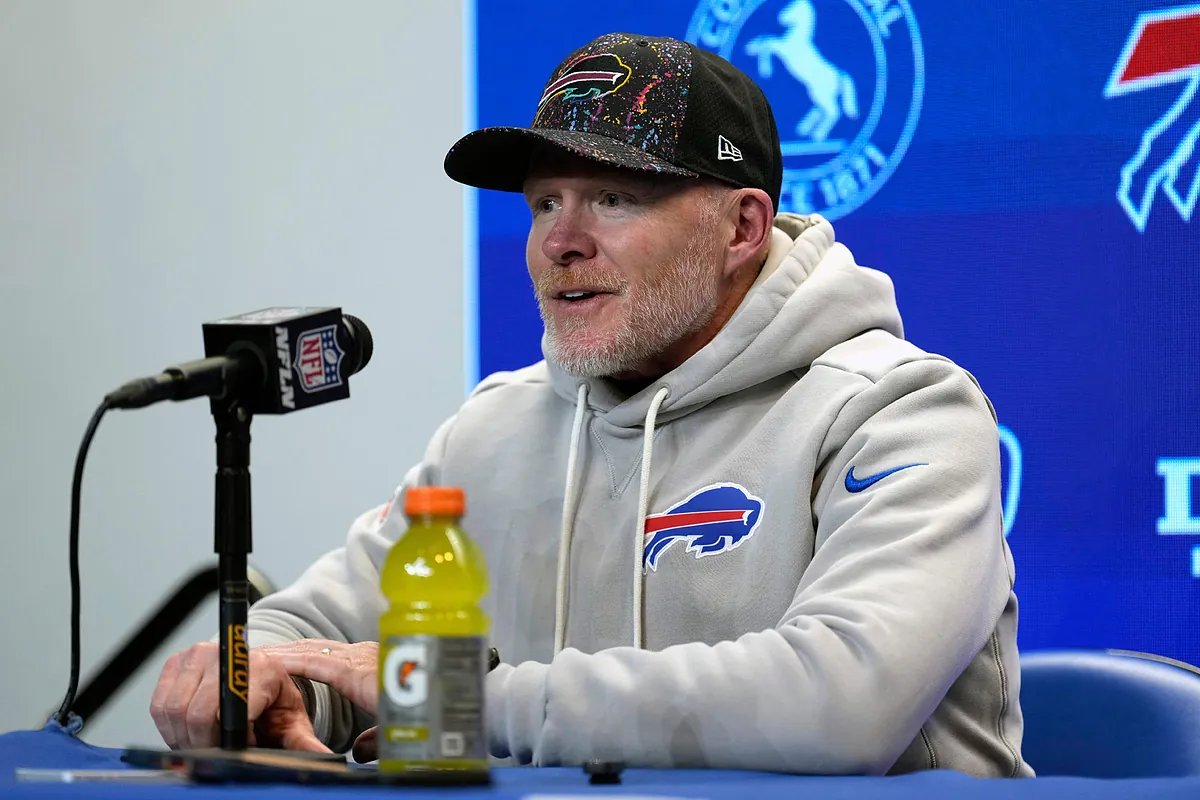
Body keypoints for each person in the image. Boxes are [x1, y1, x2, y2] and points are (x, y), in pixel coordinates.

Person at [150, 31, 1031, 777]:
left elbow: (843, 702)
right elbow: (320, 629)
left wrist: (459, 701)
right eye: (545, 203)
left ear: (743, 228)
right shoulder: (495, 430)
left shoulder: (903, 412)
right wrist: (257, 677)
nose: (561, 243)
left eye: (614, 198)